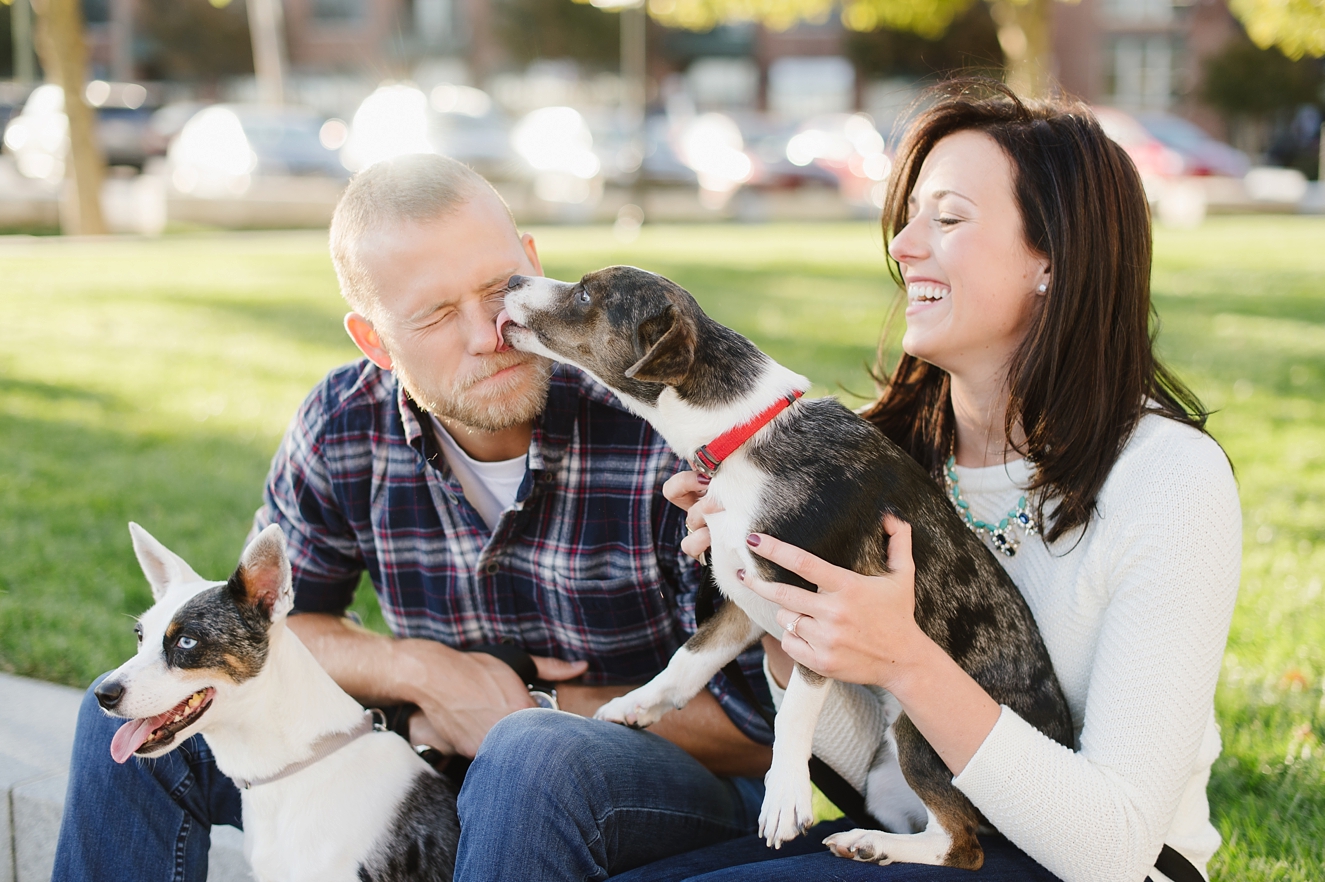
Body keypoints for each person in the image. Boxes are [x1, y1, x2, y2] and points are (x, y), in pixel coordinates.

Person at [53, 154, 774, 882]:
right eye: (434, 315)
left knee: (528, 753)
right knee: (124, 722)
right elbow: (274, 625)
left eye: (501, 290)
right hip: (426, 757)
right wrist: (423, 673)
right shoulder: (342, 423)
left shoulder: (665, 430)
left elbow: (757, 728)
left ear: (534, 262)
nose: (489, 333)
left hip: (663, 787)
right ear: (373, 342)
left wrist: (532, 707)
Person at [616, 81, 1240, 882]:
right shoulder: (873, 456)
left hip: (1099, 867)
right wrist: (775, 591)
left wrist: (909, 659)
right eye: (908, 217)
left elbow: (1114, 847)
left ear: (1052, 259)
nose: (904, 245)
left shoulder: (1167, 479)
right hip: (923, 839)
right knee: (570, 802)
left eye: (946, 218)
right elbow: (870, 770)